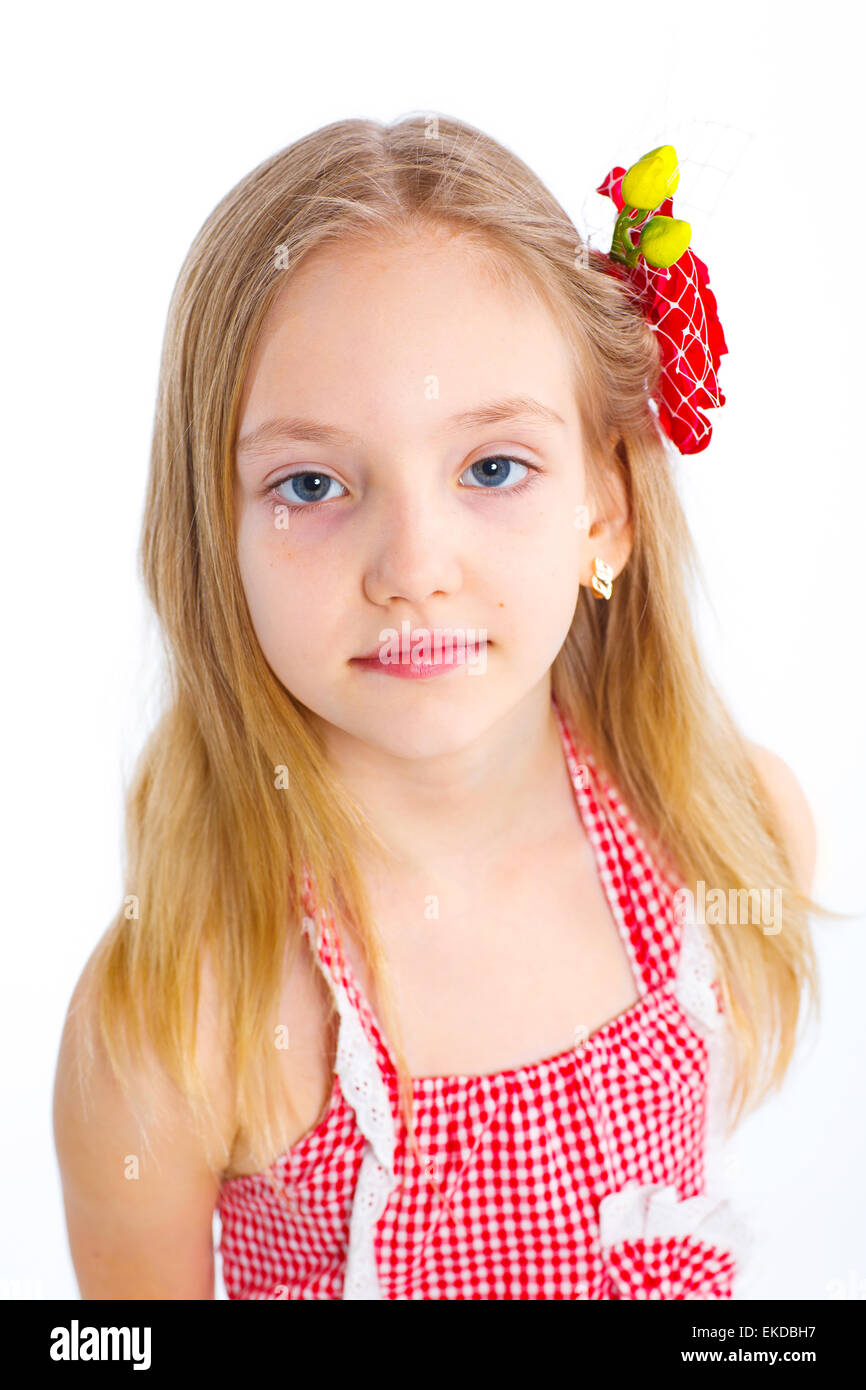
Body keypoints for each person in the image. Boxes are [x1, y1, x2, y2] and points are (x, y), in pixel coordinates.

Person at [53, 114, 829, 1300]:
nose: (413, 567)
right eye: (312, 482)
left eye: (491, 468)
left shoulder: (728, 837)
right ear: (218, 543)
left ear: (604, 510)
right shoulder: (184, 1014)